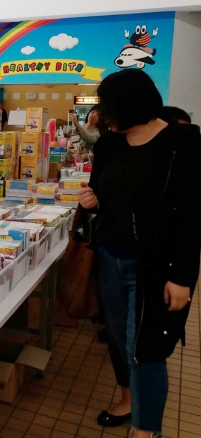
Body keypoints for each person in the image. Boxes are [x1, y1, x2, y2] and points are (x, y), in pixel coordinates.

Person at [76, 70, 200, 438]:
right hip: (110, 259)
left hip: (156, 268)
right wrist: (92, 202)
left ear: (130, 106)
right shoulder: (109, 145)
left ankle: (146, 430)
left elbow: (192, 218)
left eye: (109, 108)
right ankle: (129, 399)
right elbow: (102, 195)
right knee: (118, 340)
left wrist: (182, 278)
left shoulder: (182, 144)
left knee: (146, 350)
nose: (104, 115)